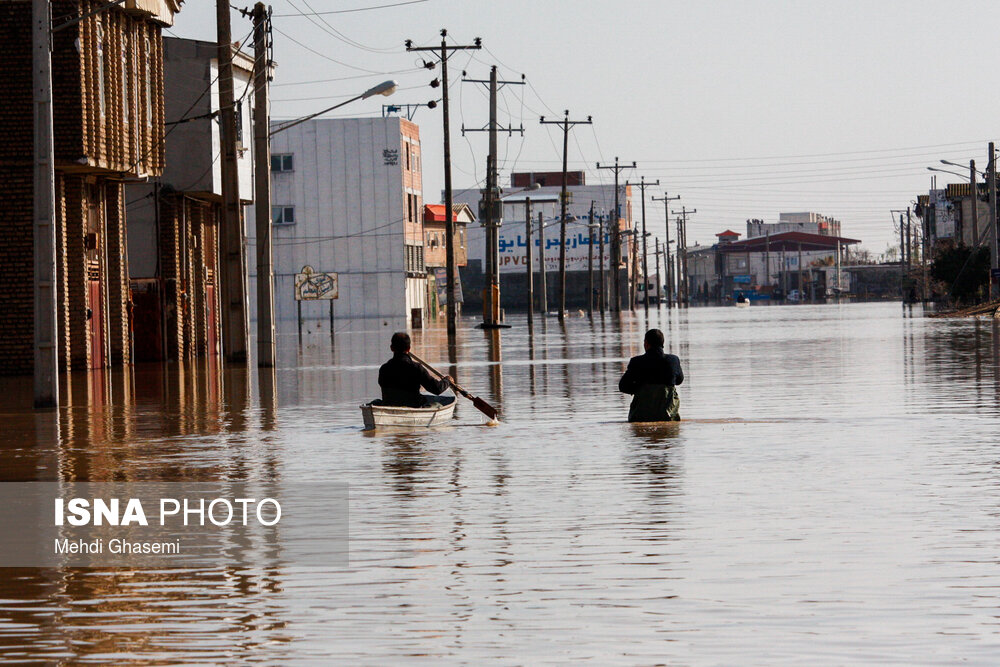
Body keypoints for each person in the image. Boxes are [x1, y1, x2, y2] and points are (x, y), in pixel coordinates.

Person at [618, 328, 684, 422]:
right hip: (667, 414)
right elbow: (679, 380)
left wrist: (638, 389)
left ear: (646, 343)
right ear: (662, 343)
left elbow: (623, 386)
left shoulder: (636, 362)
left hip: (641, 415)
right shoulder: (673, 360)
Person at [377, 332, 455, 408]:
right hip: (413, 405)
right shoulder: (416, 368)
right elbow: (436, 389)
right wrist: (447, 381)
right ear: (408, 348)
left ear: (391, 348)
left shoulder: (384, 369)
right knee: (443, 402)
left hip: (389, 404)